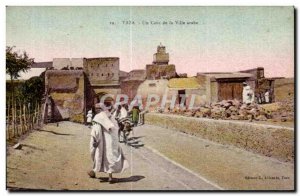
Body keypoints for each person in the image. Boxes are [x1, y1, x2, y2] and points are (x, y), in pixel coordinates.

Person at [88, 103, 129, 183]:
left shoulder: (98, 116)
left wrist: (95, 140)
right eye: (96, 108)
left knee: (101, 155)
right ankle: (99, 173)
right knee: (109, 156)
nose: (97, 110)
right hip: (111, 140)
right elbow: (114, 127)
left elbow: (96, 130)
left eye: (98, 108)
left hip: (103, 140)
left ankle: (95, 172)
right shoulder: (109, 115)